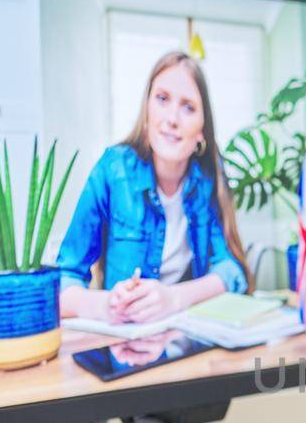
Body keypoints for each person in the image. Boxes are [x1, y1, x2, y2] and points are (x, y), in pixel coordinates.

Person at [57, 51, 250, 327]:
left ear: (201, 131)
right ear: (146, 113)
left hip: (187, 342)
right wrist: (106, 305)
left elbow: (232, 271)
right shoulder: (112, 169)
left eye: (188, 107)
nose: (172, 118)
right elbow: (63, 279)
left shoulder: (208, 176)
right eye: (162, 99)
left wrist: (173, 298)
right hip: (124, 347)